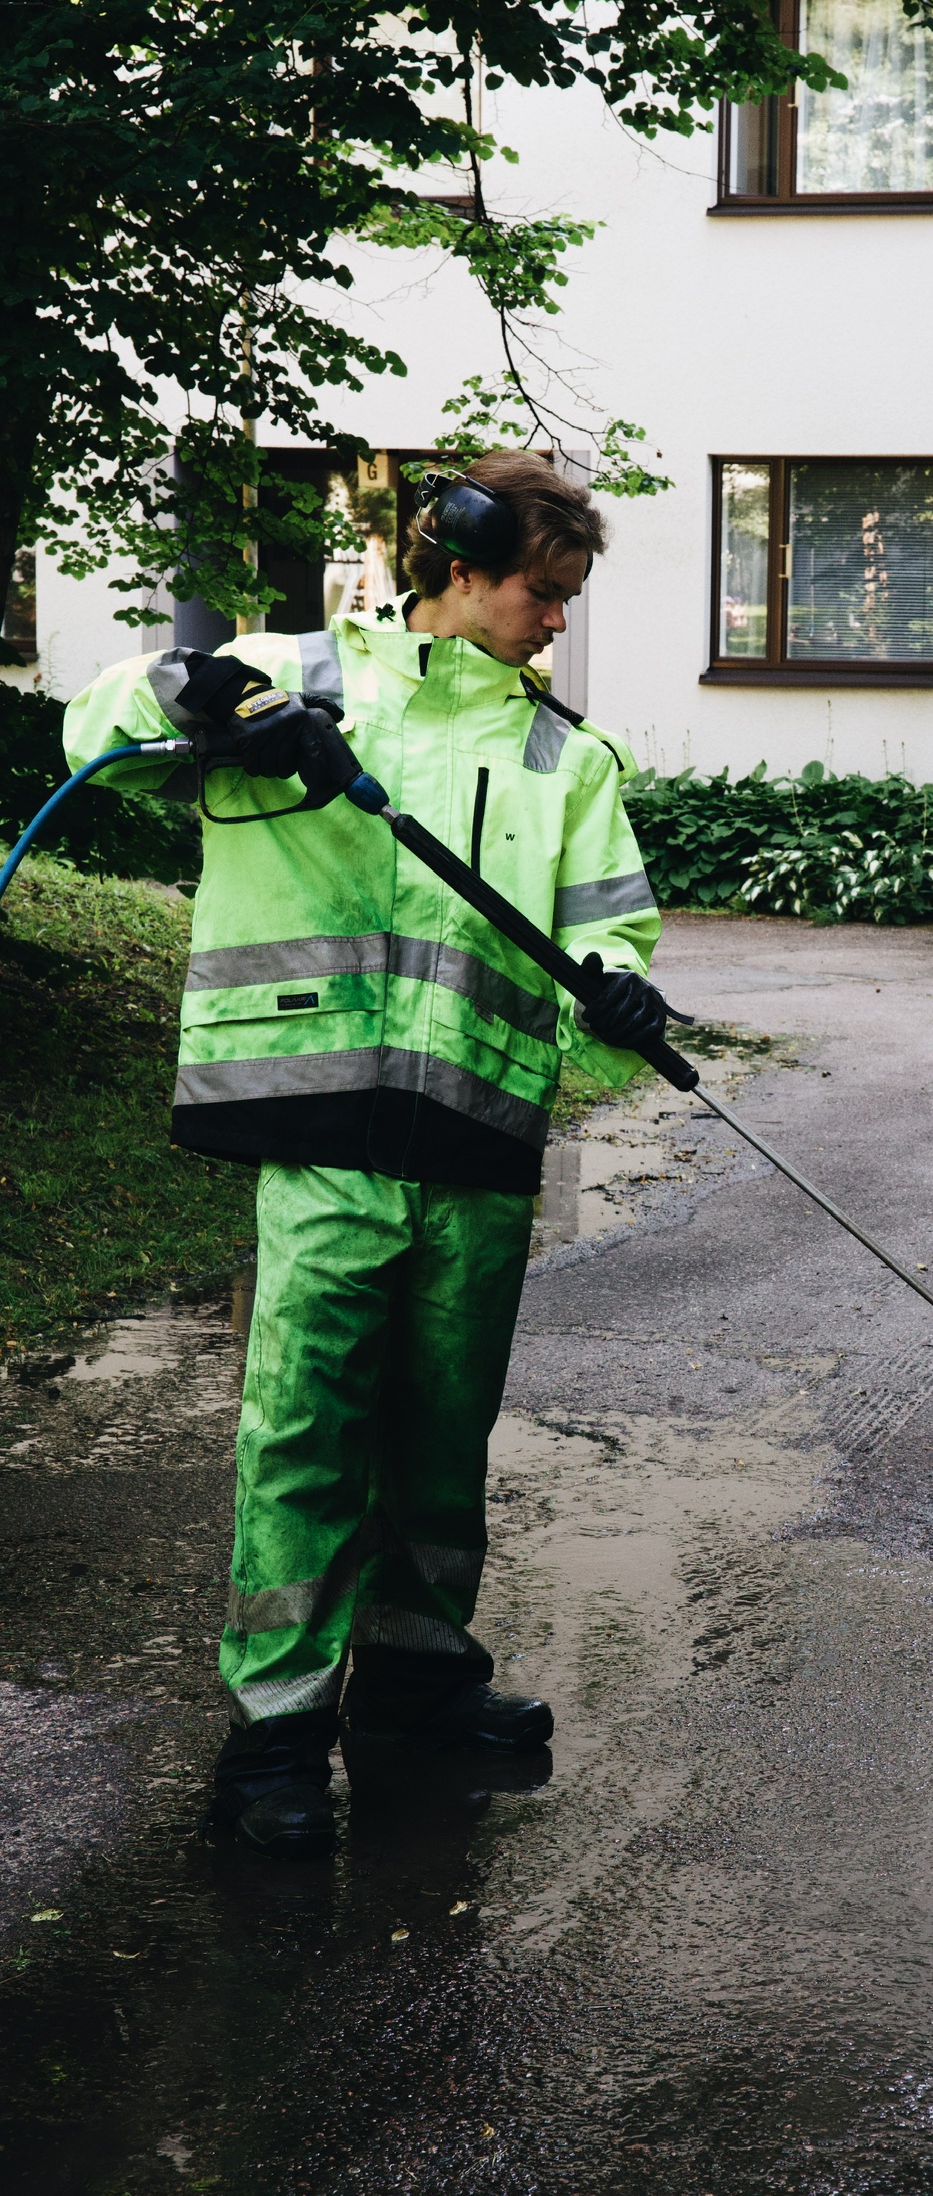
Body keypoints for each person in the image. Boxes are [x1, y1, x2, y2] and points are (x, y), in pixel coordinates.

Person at [63, 451, 669, 1859]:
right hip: (325, 1122)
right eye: (541, 590)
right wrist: (195, 694)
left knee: (442, 1437)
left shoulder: (559, 757)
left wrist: (614, 980)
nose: (555, 620)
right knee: (310, 1428)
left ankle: (410, 1680)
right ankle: (274, 1734)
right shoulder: (304, 679)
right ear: (457, 560)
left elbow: (610, 923)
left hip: (477, 1140)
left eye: (568, 598)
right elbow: (96, 723)